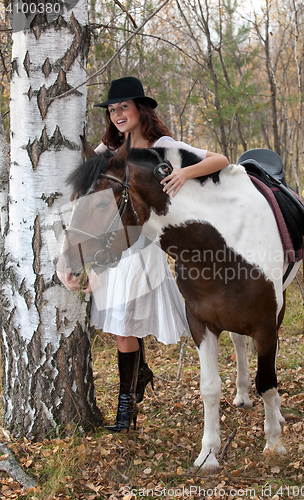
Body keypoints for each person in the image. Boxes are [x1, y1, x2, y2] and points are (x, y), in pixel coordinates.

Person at [91, 76, 229, 433]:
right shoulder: (108, 148)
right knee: (124, 327)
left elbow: (220, 159)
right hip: (111, 246)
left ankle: (126, 409)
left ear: (140, 108)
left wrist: (184, 172)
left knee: (124, 324)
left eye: (124, 106)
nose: (118, 114)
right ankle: (137, 382)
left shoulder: (162, 145)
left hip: (143, 247)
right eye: (112, 109)